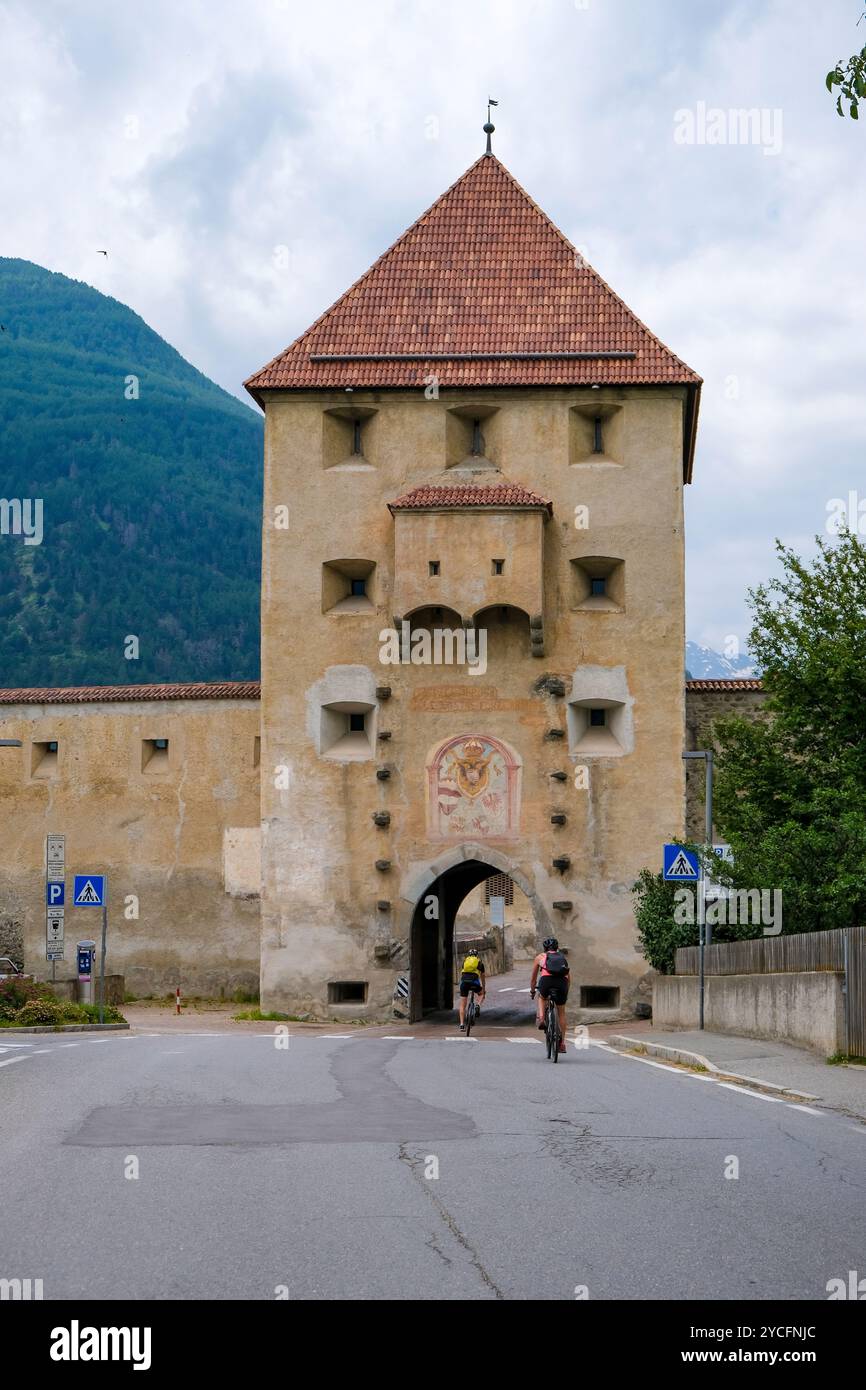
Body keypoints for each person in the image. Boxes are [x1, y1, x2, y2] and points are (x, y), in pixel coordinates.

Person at [530, 937, 570, 1054]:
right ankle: (562, 1043)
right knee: (561, 1012)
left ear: (545, 948)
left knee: (542, 997)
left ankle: (542, 1019)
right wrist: (566, 991)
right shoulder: (562, 958)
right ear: (557, 948)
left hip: (546, 981)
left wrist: (532, 991)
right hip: (562, 983)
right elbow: (568, 977)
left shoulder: (540, 957)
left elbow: (533, 979)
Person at [458, 950, 486, 1030]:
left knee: (462, 1005)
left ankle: (462, 1025)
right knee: (481, 994)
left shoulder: (465, 962)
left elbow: (462, 973)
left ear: (469, 955)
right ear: (477, 955)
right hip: (474, 983)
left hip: (464, 983)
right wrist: (483, 989)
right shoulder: (480, 963)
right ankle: (478, 1005)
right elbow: (483, 977)